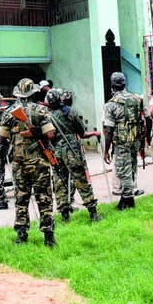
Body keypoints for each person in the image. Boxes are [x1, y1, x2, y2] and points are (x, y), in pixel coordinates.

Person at [0, 78, 57, 246]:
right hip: (39, 162)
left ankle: (21, 235)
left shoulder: (9, 112)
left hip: (18, 162)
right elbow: (51, 135)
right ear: (33, 93)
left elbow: (1, 139)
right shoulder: (40, 110)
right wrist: (37, 133)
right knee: (44, 198)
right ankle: (49, 236)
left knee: (21, 198)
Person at [45, 88, 102, 222]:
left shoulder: (47, 117)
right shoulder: (70, 112)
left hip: (56, 153)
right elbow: (82, 133)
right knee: (81, 181)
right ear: (60, 99)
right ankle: (93, 214)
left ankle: (65, 217)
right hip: (72, 151)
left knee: (59, 183)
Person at [104, 72, 152, 209]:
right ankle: (126, 198)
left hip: (121, 142)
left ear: (112, 85)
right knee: (132, 166)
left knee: (122, 169)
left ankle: (128, 200)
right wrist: (147, 136)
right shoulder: (137, 99)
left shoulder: (111, 104)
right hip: (136, 139)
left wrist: (106, 150)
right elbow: (148, 119)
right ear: (125, 83)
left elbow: (109, 130)